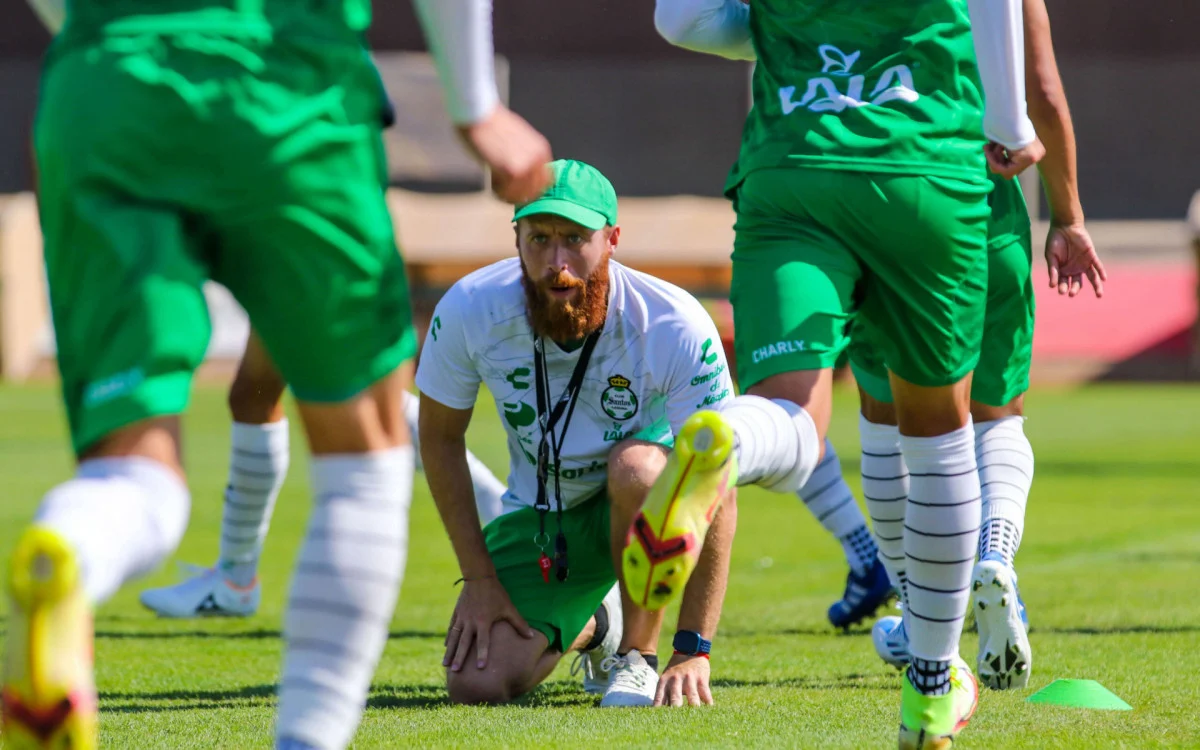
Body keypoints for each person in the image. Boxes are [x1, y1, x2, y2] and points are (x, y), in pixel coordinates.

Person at [3, 1, 552, 749]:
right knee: (363, 462)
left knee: (132, 473)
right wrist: (476, 105)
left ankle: (72, 549)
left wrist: (96, 45)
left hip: (108, 86)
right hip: (286, 85)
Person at [649, 0, 1044, 746]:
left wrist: (793, 35)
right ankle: (931, 680)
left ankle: (725, 446)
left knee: (791, 411)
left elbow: (683, 20)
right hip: (922, 162)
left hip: (792, 164)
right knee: (936, 429)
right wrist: (1013, 122)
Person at [416, 159, 738, 708]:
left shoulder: (671, 322)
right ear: (515, 237)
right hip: (543, 519)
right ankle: (601, 623)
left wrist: (694, 649)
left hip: (645, 511)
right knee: (476, 684)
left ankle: (637, 655)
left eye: (575, 239)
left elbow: (716, 480)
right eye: (538, 238)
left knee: (636, 468)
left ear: (612, 240)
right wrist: (480, 581)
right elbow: (440, 438)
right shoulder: (471, 308)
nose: (556, 262)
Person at [865, 0, 1106, 691]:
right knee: (998, 413)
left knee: (888, 419)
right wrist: (1068, 216)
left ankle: (919, 613)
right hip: (985, 200)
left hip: (883, 193)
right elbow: (1044, 91)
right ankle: (995, 555)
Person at [137, 332, 508, 618]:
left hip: (309, 245)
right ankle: (235, 578)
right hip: (291, 246)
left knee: (354, 390)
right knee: (253, 394)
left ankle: (504, 517)